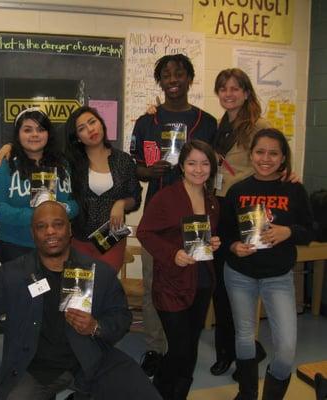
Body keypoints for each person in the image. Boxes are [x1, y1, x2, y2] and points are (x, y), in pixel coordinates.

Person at [0, 201, 162, 400]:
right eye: (41, 226)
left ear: (69, 229)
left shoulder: (98, 271)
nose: (50, 231)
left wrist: (95, 326)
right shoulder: (14, 274)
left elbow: (120, 316)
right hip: (35, 365)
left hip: (88, 358)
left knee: (141, 393)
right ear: (33, 233)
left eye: (58, 224)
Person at [129, 53, 218, 376]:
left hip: (197, 215)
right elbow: (134, 166)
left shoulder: (207, 122)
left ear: (190, 78)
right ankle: (155, 347)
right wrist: (149, 171)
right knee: (156, 284)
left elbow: (216, 168)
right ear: (160, 81)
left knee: (193, 281)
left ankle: (184, 346)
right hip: (160, 214)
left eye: (180, 73)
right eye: (166, 74)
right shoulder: (146, 122)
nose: (173, 79)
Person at [221, 128, 314, 400]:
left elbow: (311, 230)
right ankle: (247, 394)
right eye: (260, 152)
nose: (266, 158)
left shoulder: (294, 189)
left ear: (283, 157)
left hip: (278, 276)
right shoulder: (237, 190)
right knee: (245, 338)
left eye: (274, 153)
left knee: (286, 350)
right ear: (251, 155)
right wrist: (233, 246)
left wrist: (289, 232)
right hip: (240, 274)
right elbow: (224, 233)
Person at [137, 140, 221, 400]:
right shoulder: (166, 197)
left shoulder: (212, 201)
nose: (199, 169)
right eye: (192, 163)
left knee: (190, 344)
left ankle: (179, 392)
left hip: (202, 281)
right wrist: (172, 254)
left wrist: (214, 242)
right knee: (180, 346)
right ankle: (160, 391)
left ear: (212, 167)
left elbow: (205, 238)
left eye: (205, 163)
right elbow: (144, 232)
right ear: (182, 166)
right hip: (171, 283)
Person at [210, 68, 271, 377]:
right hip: (220, 209)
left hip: (248, 212)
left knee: (243, 285)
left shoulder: (258, 126)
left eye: (235, 88)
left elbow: (274, 164)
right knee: (220, 286)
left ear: (247, 92)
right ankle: (226, 351)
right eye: (223, 88)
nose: (228, 94)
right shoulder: (220, 125)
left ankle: (247, 352)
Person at [0, 108, 78, 263]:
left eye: (41, 129)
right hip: (15, 247)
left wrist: (65, 209)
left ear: (48, 133)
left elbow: (76, 202)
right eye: (27, 130)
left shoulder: (63, 164)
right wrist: (38, 217)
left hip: (57, 246)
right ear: (18, 134)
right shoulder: (3, 165)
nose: (35, 134)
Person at [64, 106, 142, 272]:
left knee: (104, 284)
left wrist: (121, 203)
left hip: (112, 235)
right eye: (81, 128)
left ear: (101, 124)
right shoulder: (71, 163)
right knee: (80, 293)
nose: (90, 129)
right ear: (77, 137)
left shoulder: (123, 160)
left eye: (92, 122)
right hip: (78, 238)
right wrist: (9, 147)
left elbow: (135, 198)